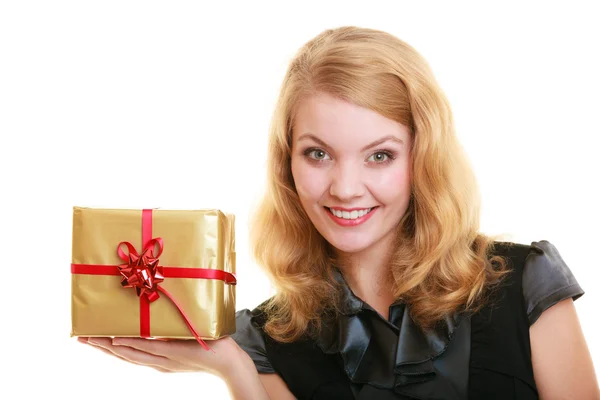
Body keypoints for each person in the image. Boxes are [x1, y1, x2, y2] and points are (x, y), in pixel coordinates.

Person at [78, 26, 599, 399]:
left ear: (423, 157)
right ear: (288, 161)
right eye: (318, 153)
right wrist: (235, 371)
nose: (346, 188)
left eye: (380, 155)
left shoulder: (523, 284)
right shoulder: (269, 340)